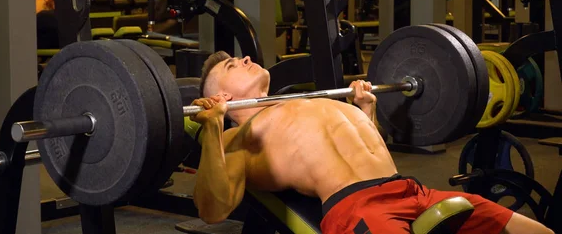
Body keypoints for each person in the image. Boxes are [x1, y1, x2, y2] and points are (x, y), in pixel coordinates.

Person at [190, 51, 554, 234]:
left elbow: (367, 151)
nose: (247, 58)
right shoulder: (238, 136)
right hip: (359, 208)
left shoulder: (304, 102)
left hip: (411, 189)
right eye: (234, 64)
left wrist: (366, 111)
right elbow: (213, 209)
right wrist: (211, 128)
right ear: (221, 95)